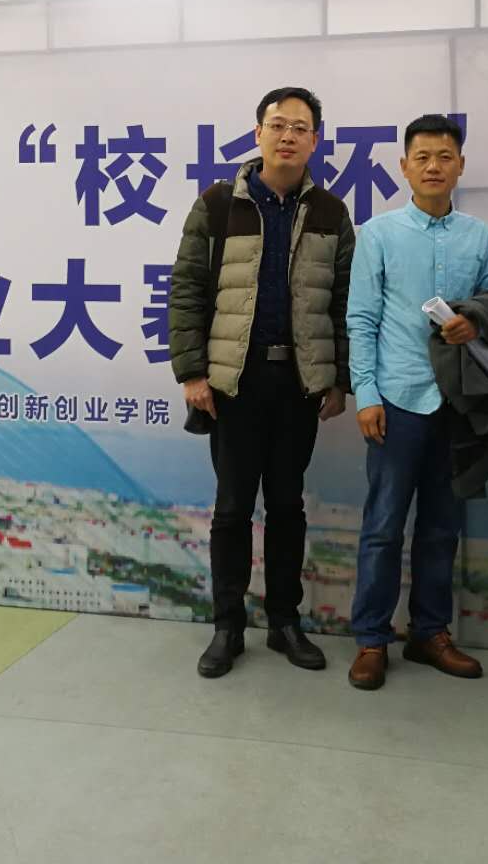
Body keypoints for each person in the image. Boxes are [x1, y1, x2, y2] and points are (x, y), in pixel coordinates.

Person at [168, 85, 354, 679]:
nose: (288, 136)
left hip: (297, 382)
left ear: (315, 140)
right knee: (231, 509)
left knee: (288, 507)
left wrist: (339, 379)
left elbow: (343, 303)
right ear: (258, 133)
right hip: (235, 383)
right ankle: (227, 626)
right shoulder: (219, 203)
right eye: (278, 125)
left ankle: (284, 623)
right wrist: (192, 371)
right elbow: (187, 288)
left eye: (300, 127)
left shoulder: (331, 212)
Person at [345, 114, 488, 690]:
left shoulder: (478, 236)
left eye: (445, 156)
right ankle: (371, 639)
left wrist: (475, 324)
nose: (434, 166)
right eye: (423, 157)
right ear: (404, 167)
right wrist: (366, 395)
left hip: (457, 403)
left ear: (460, 165)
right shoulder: (379, 233)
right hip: (397, 400)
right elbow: (360, 319)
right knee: (383, 527)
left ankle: (430, 633)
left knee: (443, 527)